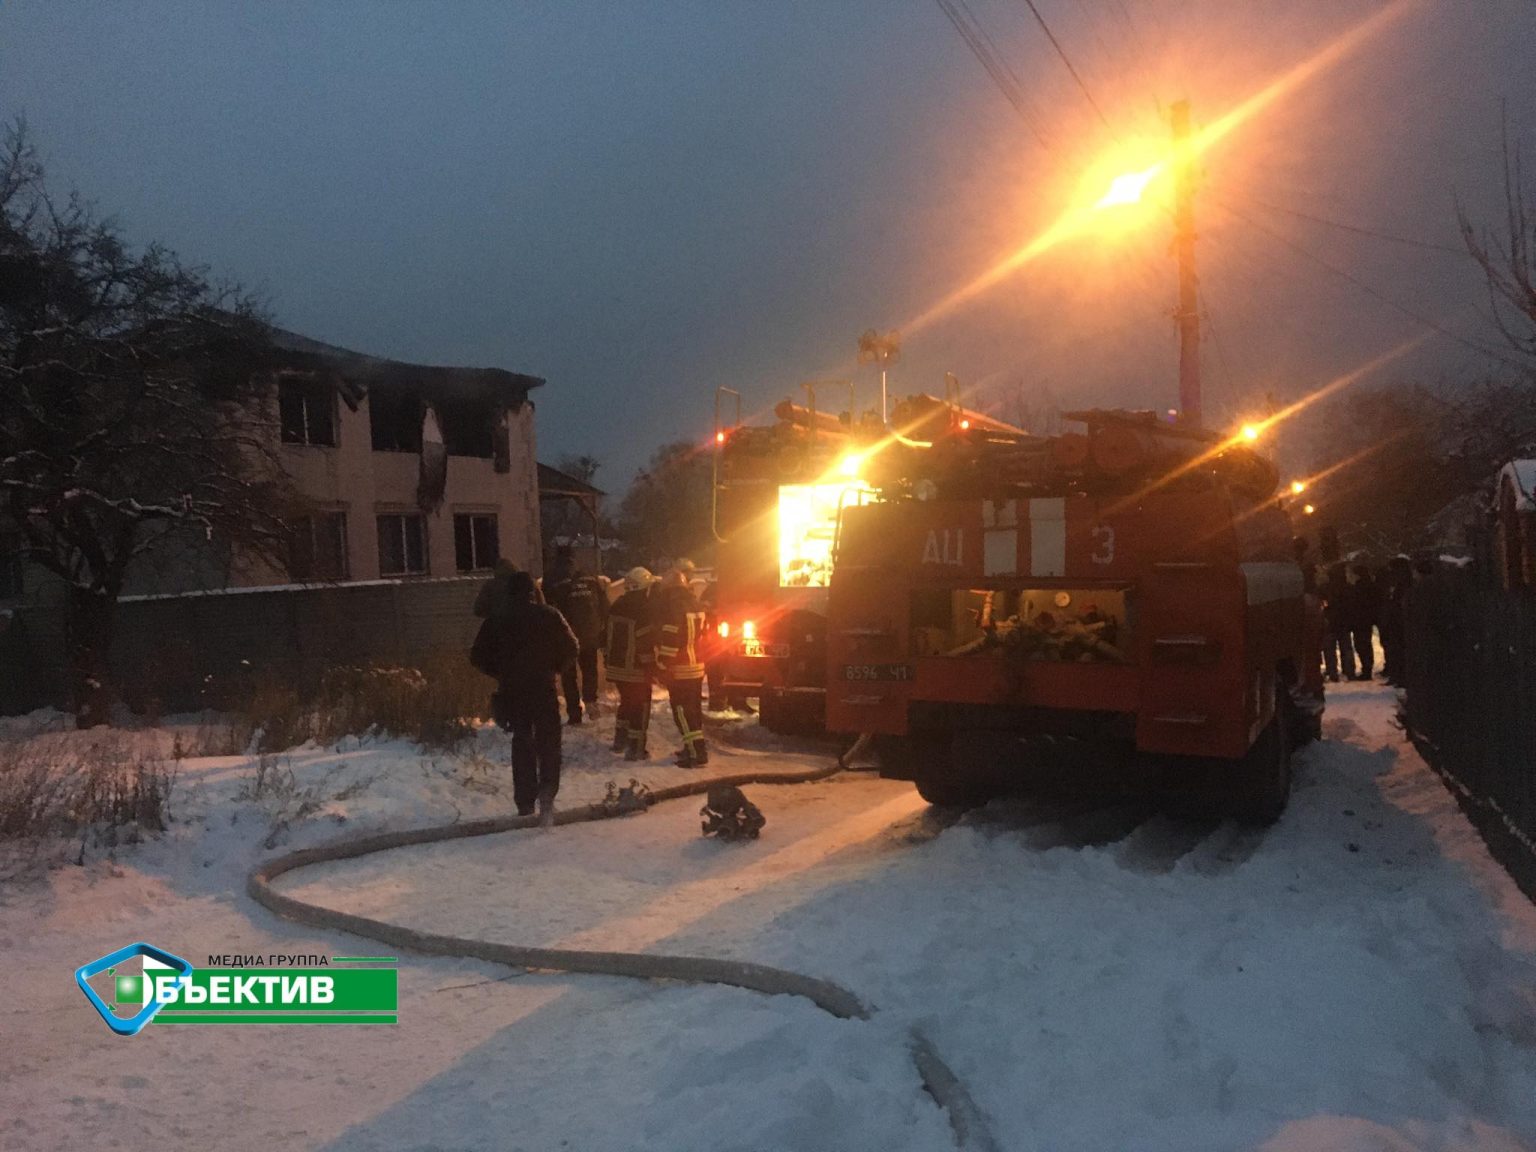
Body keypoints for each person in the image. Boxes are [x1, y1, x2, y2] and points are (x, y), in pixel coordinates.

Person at [487, 570, 578, 826]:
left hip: (512, 691)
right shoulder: (549, 615)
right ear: (532, 591)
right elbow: (573, 647)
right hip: (543, 687)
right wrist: (556, 668)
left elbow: (478, 655)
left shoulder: (498, 619)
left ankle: (525, 802)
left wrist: (500, 672)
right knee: (549, 742)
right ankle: (548, 793)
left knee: (522, 740)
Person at [543, 544, 609, 726]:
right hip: (590, 632)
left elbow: (547, 606)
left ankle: (574, 713)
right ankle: (591, 702)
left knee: (568, 674)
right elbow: (604, 603)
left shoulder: (551, 576)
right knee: (590, 668)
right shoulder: (588, 573)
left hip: (566, 634)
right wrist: (602, 628)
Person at [653, 561, 709, 767]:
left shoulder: (672, 608)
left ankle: (696, 752)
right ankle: (691, 747)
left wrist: (662, 665)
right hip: (697, 666)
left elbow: (670, 640)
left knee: (681, 712)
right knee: (693, 709)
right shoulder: (696, 603)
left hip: (681, 668)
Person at [605, 566, 658, 760]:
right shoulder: (643, 609)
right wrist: (652, 668)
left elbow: (605, 637)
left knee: (626, 703)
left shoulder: (617, 604)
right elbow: (644, 642)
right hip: (636, 669)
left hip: (617, 668)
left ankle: (620, 740)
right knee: (640, 707)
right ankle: (636, 748)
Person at [1379, 555, 1414, 684]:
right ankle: (1398, 676)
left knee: (1396, 649)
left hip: (1397, 621)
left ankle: (1399, 676)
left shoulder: (1401, 583)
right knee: (1397, 649)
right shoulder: (1404, 581)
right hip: (1397, 621)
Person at [1320, 562, 1355, 683]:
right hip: (1344, 621)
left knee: (1329, 649)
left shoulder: (1325, 587)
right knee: (1346, 647)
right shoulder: (1348, 587)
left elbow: (1323, 602)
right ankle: (1349, 671)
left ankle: (1332, 671)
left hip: (1330, 621)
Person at [1347, 562, 1380, 680]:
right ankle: (1367, 668)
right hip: (1366, 619)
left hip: (1360, 620)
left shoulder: (1359, 587)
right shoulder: (1370, 585)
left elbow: (1356, 604)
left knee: (1362, 645)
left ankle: (1366, 669)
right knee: (1365, 644)